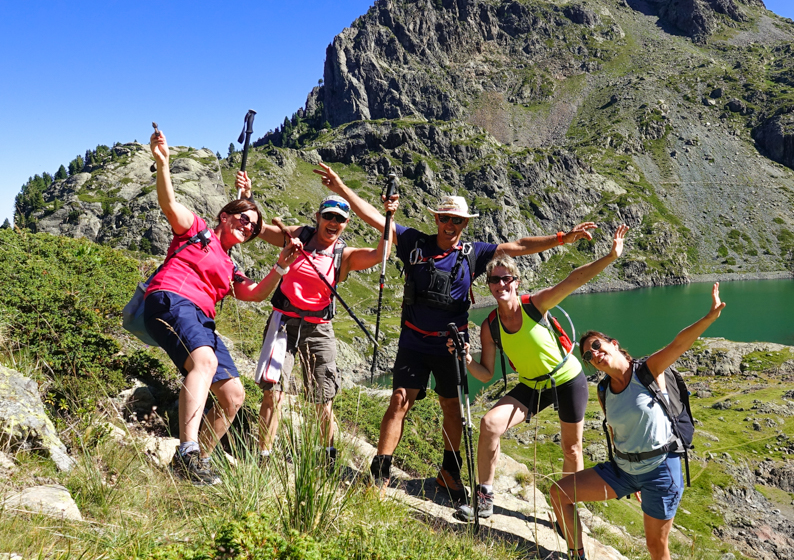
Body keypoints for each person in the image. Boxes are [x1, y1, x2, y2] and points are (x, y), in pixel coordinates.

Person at [313, 162, 597, 498]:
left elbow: (519, 245)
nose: (450, 225)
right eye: (445, 218)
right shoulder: (413, 242)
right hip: (414, 340)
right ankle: (382, 468)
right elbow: (377, 218)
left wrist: (562, 238)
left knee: (451, 405)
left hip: (451, 344)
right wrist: (341, 188)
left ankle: (449, 472)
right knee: (400, 400)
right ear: (436, 219)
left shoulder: (473, 253)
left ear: (465, 224)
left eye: (457, 220)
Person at [144, 131, 301, 485]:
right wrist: (163, 163)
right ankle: (187, 452)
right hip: (172, 297)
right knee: (205, 362)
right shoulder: (197, 231)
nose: (249, 226)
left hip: (201, 318)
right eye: (243, 218)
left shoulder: (231, 266)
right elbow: (170, 205)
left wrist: (281, 266)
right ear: (225, 216)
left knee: (234, 395)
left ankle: (197, 465)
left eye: (254, 226)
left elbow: (254, 295)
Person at [549, 283, 725, 560]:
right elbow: (617, 434)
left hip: (661, 471)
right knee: (560, 493)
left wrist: (709, 317)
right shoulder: (603, 391)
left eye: (598, 345)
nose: (594, 354)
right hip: (623, 471)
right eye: (589, 354)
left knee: (656, 545)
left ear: (613, 344)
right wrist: (631, 481)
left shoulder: (647, 371)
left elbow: (679, 343)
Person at [450, 225, 630, 522]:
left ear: (516, 282)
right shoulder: (490, 325)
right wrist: (468, 359)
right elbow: (485, 374)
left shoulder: (535, 305)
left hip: (567, 378)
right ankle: (484, 499)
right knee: (489, 424)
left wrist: (610, 256)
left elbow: (573, 280)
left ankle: (568, 512)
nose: (501, 284)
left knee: (571, 448)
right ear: (490, 286)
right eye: (494, 280)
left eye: (506, 278)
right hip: (532, 385)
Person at [249, 189, 397, 468]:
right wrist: (246, 196)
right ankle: (264, 457)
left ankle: (326, 456)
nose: (333, 222)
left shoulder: (345, 255)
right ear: (317, 217)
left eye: (339, 219)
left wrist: (388, 216)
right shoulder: (299, 235)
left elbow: (382, 252)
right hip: (284, 324)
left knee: (323, 398)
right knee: (274, 392)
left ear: (346, 224)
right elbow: (259, 231)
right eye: (327, 216)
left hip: (319, 329)